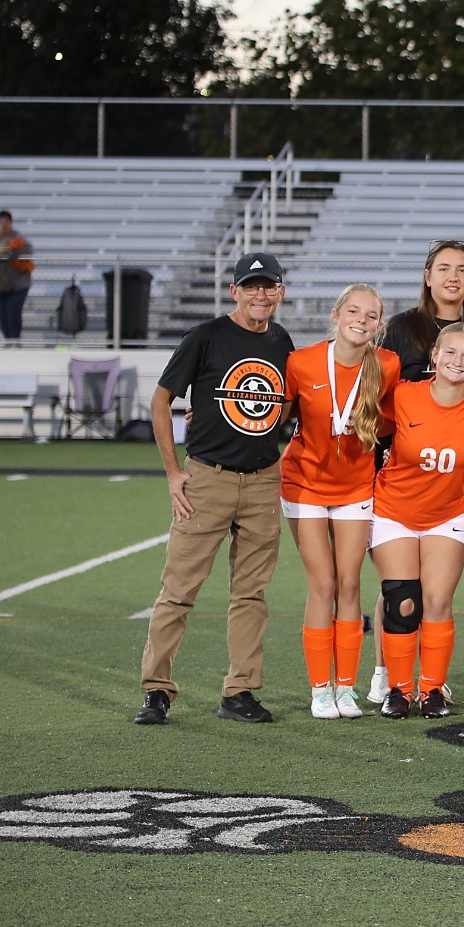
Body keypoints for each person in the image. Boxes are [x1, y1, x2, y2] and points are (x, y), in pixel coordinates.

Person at [134, 250, 294, 727]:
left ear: (281, 292)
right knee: (179, 590)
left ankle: (239, 690)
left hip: (264, 481)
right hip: (208, 479)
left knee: (251, 594)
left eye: (269, 286)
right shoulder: (205, 336)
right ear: (235, 291)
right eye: (252, 286)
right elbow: (161, 400)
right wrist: (172, 473)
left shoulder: (283, 341)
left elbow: (282, 403)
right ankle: (156, 690)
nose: (260, 294)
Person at [279, 284, 399, 720]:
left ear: (379, 324)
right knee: (323, 584)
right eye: (354, 311)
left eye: (371, 316)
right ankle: (319, 688)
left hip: (355, 487)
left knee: (350, 583)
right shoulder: (302, 361)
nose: (361, 320)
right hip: (304, 484)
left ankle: (346, 688)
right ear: (336, 313)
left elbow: (391, 423)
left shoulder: (387, 364)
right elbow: (275, 412)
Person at [370, 324, 464, 718]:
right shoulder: (404, 395)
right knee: (403, 602)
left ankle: (433, 690)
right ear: (435, 356)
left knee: (438, 601)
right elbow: (366, 419)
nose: (458, 361)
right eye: (450, 352)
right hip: (395, 510)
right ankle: (398, 689)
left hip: (448, 512)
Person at [384, 240, 464, 381]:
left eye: (462, 270)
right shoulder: (398, 328)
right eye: (443, 269)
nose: (453, 278)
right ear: (428, 277)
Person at [0, 209, 34, 341]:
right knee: (2, 317)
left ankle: (15, 340)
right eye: (1, 221)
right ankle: (8, 341)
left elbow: (28, 251)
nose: (4, 224)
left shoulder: (18, 238)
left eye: (6, 221)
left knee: (13, 314)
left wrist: (11, 250)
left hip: (17, 286)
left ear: (11, 223)